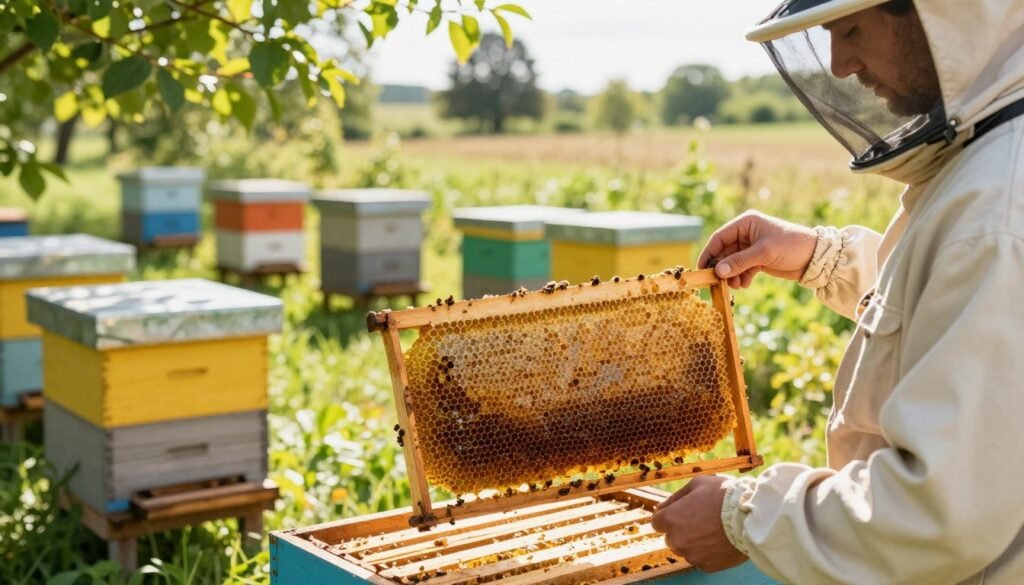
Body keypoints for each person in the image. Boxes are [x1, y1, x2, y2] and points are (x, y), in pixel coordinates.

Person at [651, 0, 1024, 583]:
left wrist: (744, 518)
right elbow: (957, 320)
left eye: (851, 29)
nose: (840, 65)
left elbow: (940, 514)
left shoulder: (998, 208)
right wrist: (823, 258)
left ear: (940, 14)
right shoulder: (991, 171)